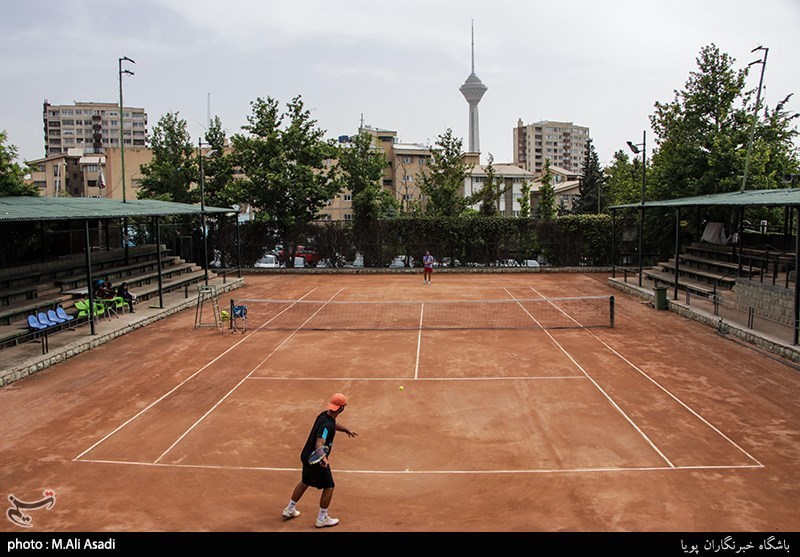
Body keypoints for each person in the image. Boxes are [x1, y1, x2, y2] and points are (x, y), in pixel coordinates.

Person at [282, 392, 358, 528]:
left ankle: (289, 509)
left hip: (306, 455)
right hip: (316, 460)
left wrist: (346, 429)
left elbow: (333, 424)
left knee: (305, 481)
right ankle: (322, 518)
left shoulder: (324, 415)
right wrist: (322, 457)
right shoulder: (326, 426)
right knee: (329, 486)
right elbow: (320, 442)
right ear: (341, 408)